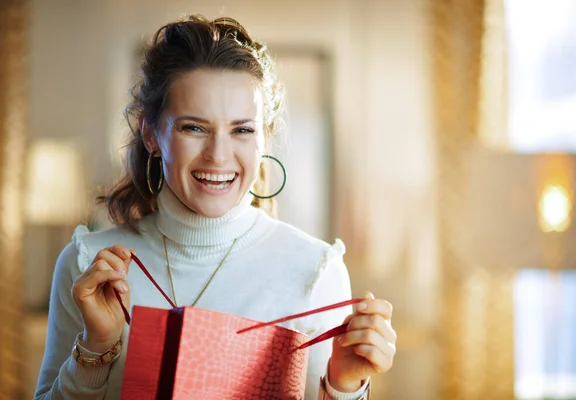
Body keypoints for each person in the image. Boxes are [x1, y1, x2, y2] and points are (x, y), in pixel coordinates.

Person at [34, 15, 396, 400]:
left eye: (242, 130)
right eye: (194, 127)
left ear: (265, 138)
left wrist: (344, 385)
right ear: (151, 134)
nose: (218, 155)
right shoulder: (88, 266)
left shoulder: (316, 271)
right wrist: (95, 347)